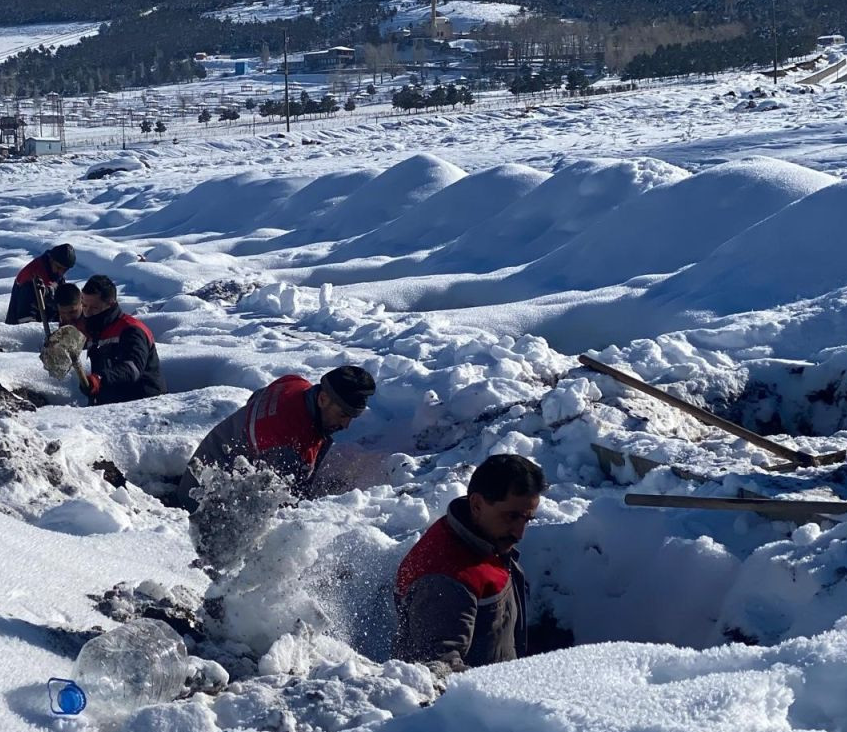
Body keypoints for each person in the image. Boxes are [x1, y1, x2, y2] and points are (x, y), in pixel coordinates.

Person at [393, 454, 546, 676]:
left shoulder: (483, 541)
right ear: (476, 504)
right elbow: (438, 672)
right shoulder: (445, 578)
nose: (519, 533)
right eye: (511, 517)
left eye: (527, 519)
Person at [176, 366, 375, 514]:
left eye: (352, 417)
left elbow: (256, 398)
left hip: (206, 461)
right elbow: (280, 511)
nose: (346, 424)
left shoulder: (296, 384)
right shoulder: (285, 444)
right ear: (323, 399)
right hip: (201, 504)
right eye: (342, 415)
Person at [78, 275, 166, 405]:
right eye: (84, 306)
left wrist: (100, 380)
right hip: (110, 405)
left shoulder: (131, 330)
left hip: (144, 404)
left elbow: (133, 369)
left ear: (110, 304)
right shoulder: (95, 329)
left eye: (94, 308)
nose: (88, 313)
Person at [5, 243, 76, 325]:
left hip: (47, 323)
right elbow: (25, 321)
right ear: (51, 260)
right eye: (58, 267)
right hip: (19, 332)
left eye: (65, 270)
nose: (61, 272)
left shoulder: (54, 273)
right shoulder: (31, 278)